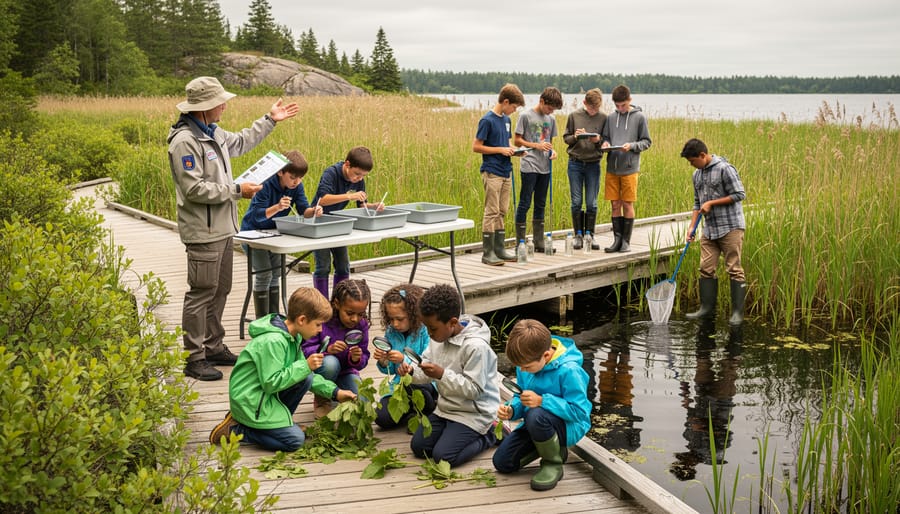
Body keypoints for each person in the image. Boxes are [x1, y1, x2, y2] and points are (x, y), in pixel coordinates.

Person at [168, 76, 299, 381]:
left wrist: (270, 120)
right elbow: (194, 189)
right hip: (202, 230)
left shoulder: (211, 131)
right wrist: (238, 191)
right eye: (221, 102)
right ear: (205, 107)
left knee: (221, 288)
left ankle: (213, 346)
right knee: (202, 292)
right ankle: (194, 357)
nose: (225, 106)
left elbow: (241, 141)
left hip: (224, 227)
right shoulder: (185, 141)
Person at [208, 287, 357, 452]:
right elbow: (270, 383)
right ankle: (238, 430)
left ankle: (278, 424)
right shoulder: (273, 341)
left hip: (262, 398)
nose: (321, 330)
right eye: (318, 324)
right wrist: (305, 366)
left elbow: (305, 375)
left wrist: (336, 392)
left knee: (306, 377)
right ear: (302, 320)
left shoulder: (292, 337)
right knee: (295, 441)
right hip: (250, 402)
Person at [399, 283, 501, 467]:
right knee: (419, 447)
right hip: (446, 409)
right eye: (427, 328)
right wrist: (412, 371)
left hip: (473, 413)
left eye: (432, 328)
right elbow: (426, 370)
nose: (429, 333)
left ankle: (490, 435)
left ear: (452, 323)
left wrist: (442, 375)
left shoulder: (475, 347)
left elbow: (474, 390)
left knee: (443, 457)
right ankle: (452, 432)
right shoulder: (438, 337)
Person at [492, 319, 591, 491]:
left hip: (568, 425)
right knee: (503, 462)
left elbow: (580, 412)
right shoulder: (527, 362)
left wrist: (542, 401)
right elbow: (521, 395)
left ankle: (553, 463)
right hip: (537, 423)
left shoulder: (570, 371)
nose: (522, 371)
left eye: (527, 367)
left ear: (546, 355)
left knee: (535, 415)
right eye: (519, 367)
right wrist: (512, 409)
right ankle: (551, 448)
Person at [239, 150, 323, 319]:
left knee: (276, 274)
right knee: (264, 274)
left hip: (275, 235)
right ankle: (262, 321)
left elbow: (302, 210)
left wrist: (313, 211)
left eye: (300, 178)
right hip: (252, 235)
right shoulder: (265, 184)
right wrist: (277, 207)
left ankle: (274, 318)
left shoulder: (297, 186)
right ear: (280, 171)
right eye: (292, 177)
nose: (296, 182)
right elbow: (257, 215)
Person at [680, 138, 747, 325]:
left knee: (734, 269)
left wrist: (711, 203)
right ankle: (706, 309)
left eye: (693, 161)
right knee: (706, 268)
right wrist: (692, 227)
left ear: (702, 155)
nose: (691, 164)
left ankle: (737, 314)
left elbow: (740, 194)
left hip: (730, 227)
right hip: (709, 229)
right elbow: (697, 203)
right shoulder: (697, 175)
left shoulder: (725, 169)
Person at [310, 146, 380, 299]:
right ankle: (321, 306)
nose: (359, 179)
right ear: (347, 164)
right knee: (323, 266)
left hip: (337, 225)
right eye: (357, 174)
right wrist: (349, 196)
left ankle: (340, 303)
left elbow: (362, 206)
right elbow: (323, 199)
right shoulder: (331, 173)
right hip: (318, 222)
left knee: (343, 265)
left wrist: (374, 206)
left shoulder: (359, 180)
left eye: (363, 176)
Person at [302, 278, 372, 418]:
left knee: (363, 405)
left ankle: (339, 394)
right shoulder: (323, 320)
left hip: (346, 373)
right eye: (350, 313)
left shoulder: (361, 325)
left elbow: (364, 356)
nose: (355, 319)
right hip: (323, 371)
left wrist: (356, 358)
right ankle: (322, 399)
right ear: (337, 304)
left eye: (360, 314)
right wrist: (328, 350)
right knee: (331, 363)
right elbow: (305, 350)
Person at [473, 83, 526, 266]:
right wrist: (500, 150)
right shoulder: (487, 120)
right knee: (492, 211)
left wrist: (516, 150)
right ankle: (488, 253)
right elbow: (476, 146)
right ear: (505, 101)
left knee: (502, 211)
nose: (514, 110)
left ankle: (500, 248)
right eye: (513, 107)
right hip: (492, 171)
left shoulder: (506, 120)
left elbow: (507, 143)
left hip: (506, 171)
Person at [373, 284, 438, 430]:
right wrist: (384, 361)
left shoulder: (425, 331)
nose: (395, 324)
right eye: (391, 319)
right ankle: (413, 413)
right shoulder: (391, 332)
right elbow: (390, 370)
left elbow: (429, 362)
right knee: (381, 417)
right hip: (399, 385)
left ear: (414, 314)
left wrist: (404, 360)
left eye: (400, 319)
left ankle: (426, 407)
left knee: (420, 392)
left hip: (425, 384)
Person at [600, 84, 652, 253]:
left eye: (623, 105)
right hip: (612, 167)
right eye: (617, 106)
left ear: (629, 100)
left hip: (630, 168)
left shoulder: (639, 118)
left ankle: (626, 242)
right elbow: (606, 137)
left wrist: (631, 146)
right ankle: (617, 240)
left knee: (627, 204)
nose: (620, 109)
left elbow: (646, 142)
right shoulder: (610, 118)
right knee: (615, 204)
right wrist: (605, 143)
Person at [513, 87, 563, 253]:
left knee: (540, 204)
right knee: (525, 202)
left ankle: (539, 241)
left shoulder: (552, 119)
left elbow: (549, 143)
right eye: (549, 108)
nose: (550, 111)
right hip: (529, 165)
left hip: (545, 167)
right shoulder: (525, 116)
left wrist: (553, 152)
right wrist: (536, 145)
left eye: (553, 109)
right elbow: (517, 141)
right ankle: (520, 242)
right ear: (542, 101)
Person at [562, 88, 608, 250]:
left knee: (592, 202)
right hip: (575, 163)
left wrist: (598, 140)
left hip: (593, 164)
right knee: (576, 201)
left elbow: (606, 142)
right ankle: (578, 235)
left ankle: (590, 234)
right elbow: (566, 138)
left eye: (596, 108)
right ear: (584, 103)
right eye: (591, 108)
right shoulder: (574, 116)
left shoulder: (604, 118)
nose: (594, 111)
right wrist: (575, 136)